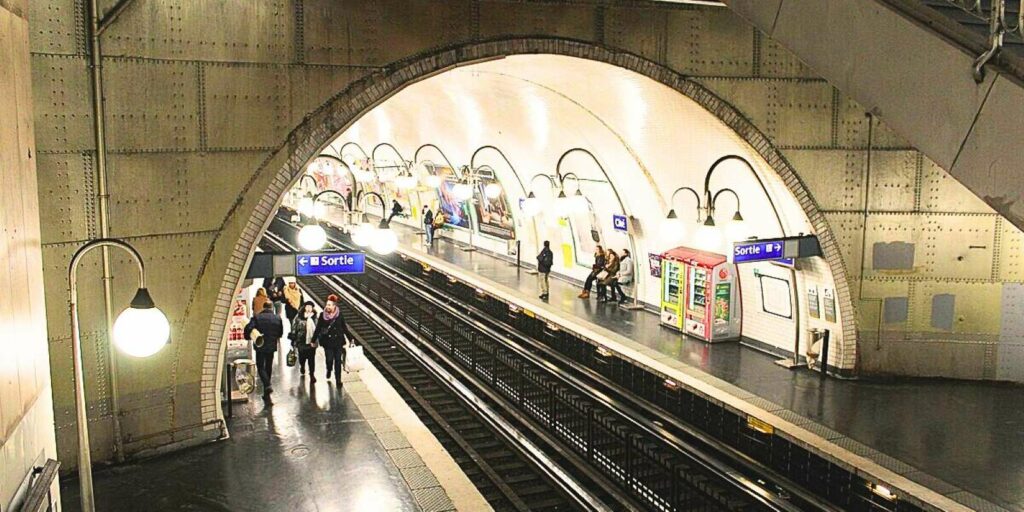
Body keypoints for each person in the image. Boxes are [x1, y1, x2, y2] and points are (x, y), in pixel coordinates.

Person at [244, 302, 284, 400]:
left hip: (260, 345)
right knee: (268, 366)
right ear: (271, 308)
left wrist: (247, 336)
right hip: (271, 345)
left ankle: (267, 384)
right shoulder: (277, 318)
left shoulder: (257, 317)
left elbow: (249, 328)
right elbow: (280, 333)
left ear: (264, 307)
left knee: (260, 366)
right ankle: (267, 388)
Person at [313, 294, 350, 386]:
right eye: (327, 304)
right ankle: (329, 369)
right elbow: (318, 328)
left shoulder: (339, 315)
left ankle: (338, 380)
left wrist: (351, 338)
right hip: (327, 342)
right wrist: (313, 340)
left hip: (338, 342)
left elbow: (344, 327)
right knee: (329, 360)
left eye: (329, 305)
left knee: (338, 361)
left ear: (334, 306)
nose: (327, 306)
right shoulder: (322, 315)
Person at [289, 301, 318, 381]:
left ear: (312, 308)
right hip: (301, 341)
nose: (309, 308)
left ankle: (312, 374)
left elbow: (318, 328)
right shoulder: (299, 316)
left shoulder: (315, 317)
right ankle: (302, 366)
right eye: (307, 307)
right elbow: (294, 326)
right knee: (302, 357)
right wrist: (294, 337)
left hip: (312, 341)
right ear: (304, 307)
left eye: (310, 307)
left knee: (311, 359)